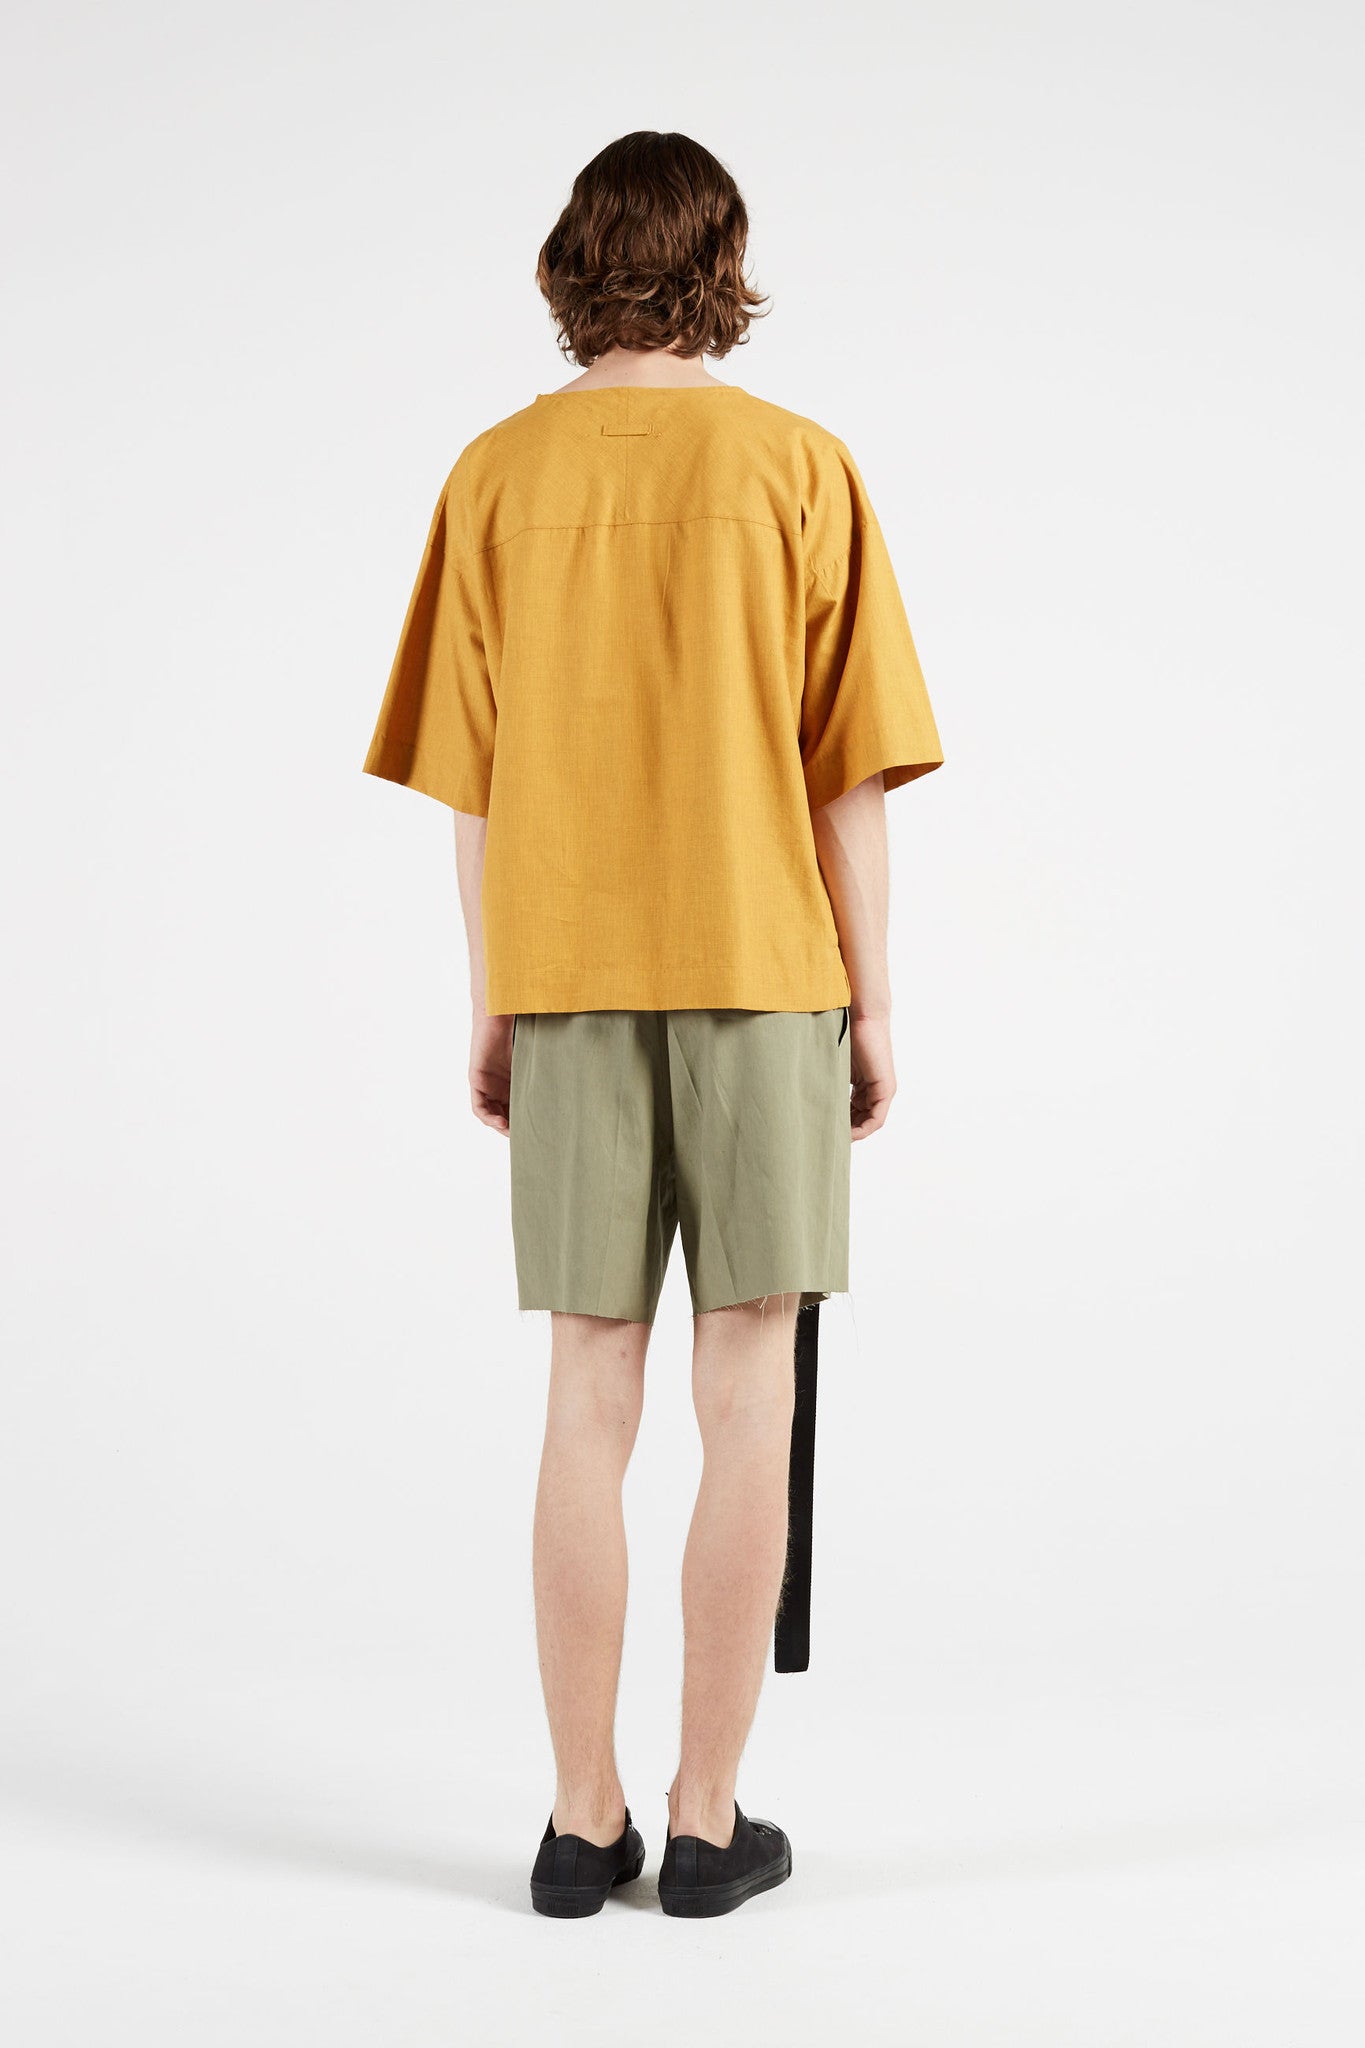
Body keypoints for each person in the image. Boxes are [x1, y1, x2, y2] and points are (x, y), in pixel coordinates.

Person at [363, 130, 943, 1919]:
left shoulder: (494, 476)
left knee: (586, 1387)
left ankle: (576, 1819)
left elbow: (472, 785)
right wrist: (873, 1003)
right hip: (766, 971)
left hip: (566, 975)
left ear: (572, 263)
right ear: (720, 261)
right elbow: (848, 779)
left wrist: (495, 996)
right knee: (748, 1382)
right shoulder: (796, 466)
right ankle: (704, 1824)